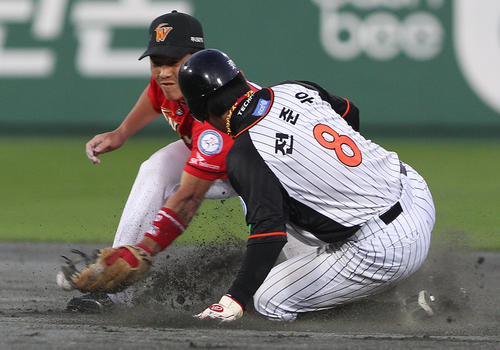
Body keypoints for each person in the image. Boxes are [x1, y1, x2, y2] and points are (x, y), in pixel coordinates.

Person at [176, 49, 436, 322]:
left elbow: (269, 233)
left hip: (388, 248)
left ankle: (397, 311)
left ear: (201, 113)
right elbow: (350, 112)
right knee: (296, 199)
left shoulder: (245, 154)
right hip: (413, 189)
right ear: (241, 76)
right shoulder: (294, 88)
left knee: (269, 299)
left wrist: (235, 298)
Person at [67, 11, 259, 312]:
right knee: (154, 168)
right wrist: (122, 133)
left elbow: (190, 197)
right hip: (210, 155)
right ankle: (111, 292)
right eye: (157, 63)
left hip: (266, 168)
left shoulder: (218, 109)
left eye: (174, 62)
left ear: (198, 58)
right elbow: (154, 95)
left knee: (286, 264)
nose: (164, 72)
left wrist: (145, 250)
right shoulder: (170, 84)